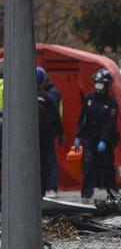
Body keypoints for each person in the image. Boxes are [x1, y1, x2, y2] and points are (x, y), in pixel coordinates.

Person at [75, 69, 120, 203]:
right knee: (89, 162)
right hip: (89, 137)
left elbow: (111, 124)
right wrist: (78, 136)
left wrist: (104, 140)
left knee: (107, 165)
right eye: (97, 82)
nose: (98, 85)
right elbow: (82, 118)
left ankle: (112, 192)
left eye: (102, 83)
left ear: (107, 85)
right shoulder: (88, 99)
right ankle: (87, 194)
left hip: (105, 139)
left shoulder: (112, 103)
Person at [37, 66, 64, 197]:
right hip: (46, 135)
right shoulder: (48, 97)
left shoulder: (23, 97)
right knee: (47, 163)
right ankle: (46, 189)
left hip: (35, 137)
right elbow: (56, 116)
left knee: (44, 163)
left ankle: (43, 189)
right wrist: (60, 133)